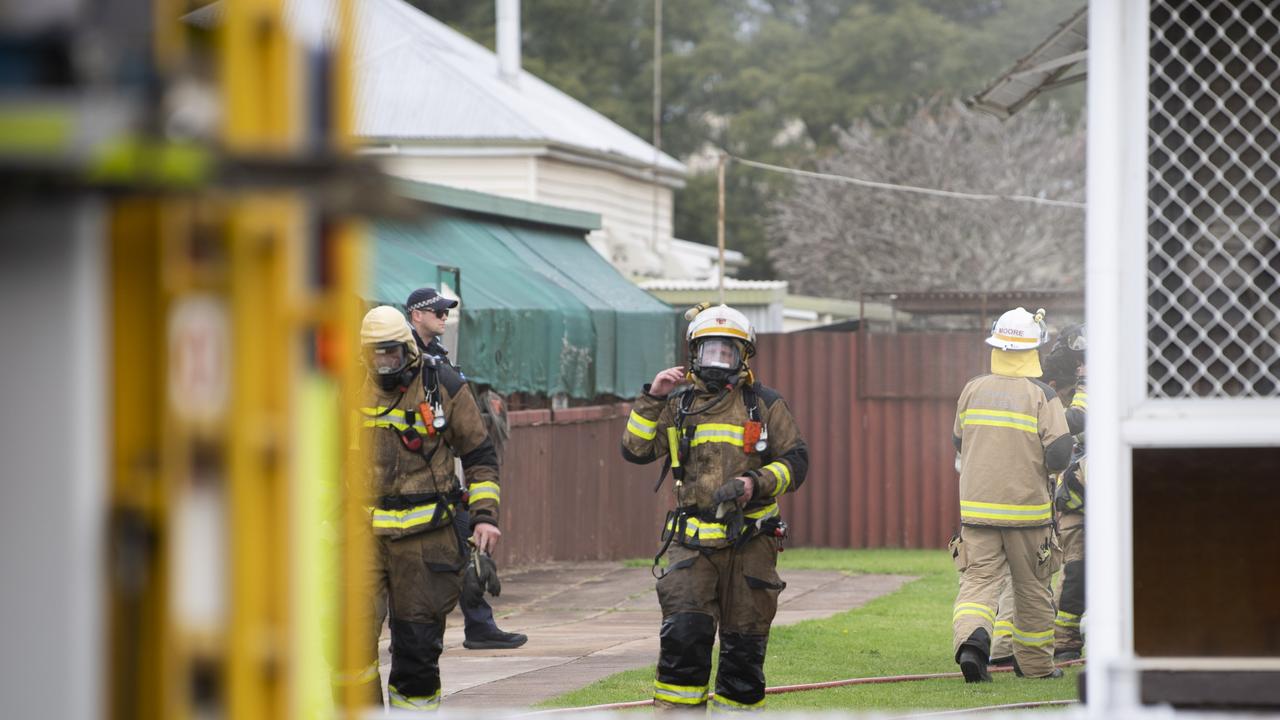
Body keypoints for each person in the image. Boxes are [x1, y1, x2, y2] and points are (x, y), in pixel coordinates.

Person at [621, 303, 808, 711]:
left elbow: (797, 463)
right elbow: (635, 449)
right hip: (691, 547)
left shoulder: (765, 405)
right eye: (710, 351)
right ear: (694, 354)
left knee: (743, 654)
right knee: (683, 640)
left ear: (744, 356)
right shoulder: (678, 404)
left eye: (728, 352)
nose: (718, 361)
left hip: (751, 545)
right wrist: (653, 396)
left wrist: (752, 483)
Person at [340, 305, 504, 710]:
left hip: (427, 544)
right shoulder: (347, 389)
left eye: (392, 355)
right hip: (362, 538)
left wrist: (484, 517)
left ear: (408, 350)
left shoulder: (441, 383)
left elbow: (481, 454)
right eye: (376, 356)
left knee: (416, 652)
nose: (385, 365)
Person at [951, 307, 1072, 682]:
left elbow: (958, 439)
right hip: (1026, 516)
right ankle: (1035, 668)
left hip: (976, 513)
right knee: (1032, 589)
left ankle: (972, 645)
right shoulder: (1043, 395)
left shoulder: (973, 388)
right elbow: (1059, 453)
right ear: (1032, 348)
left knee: (977, 583)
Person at [405, 286, 528, 651]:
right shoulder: (400, 361)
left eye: (446, 313)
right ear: (416, 315)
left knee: (471, 545)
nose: (444, 318)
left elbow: (473, 444)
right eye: (437, 312)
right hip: (399, 491)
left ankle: (479, 626)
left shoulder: (438, 360)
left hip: (440, 485)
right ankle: (411, 636)